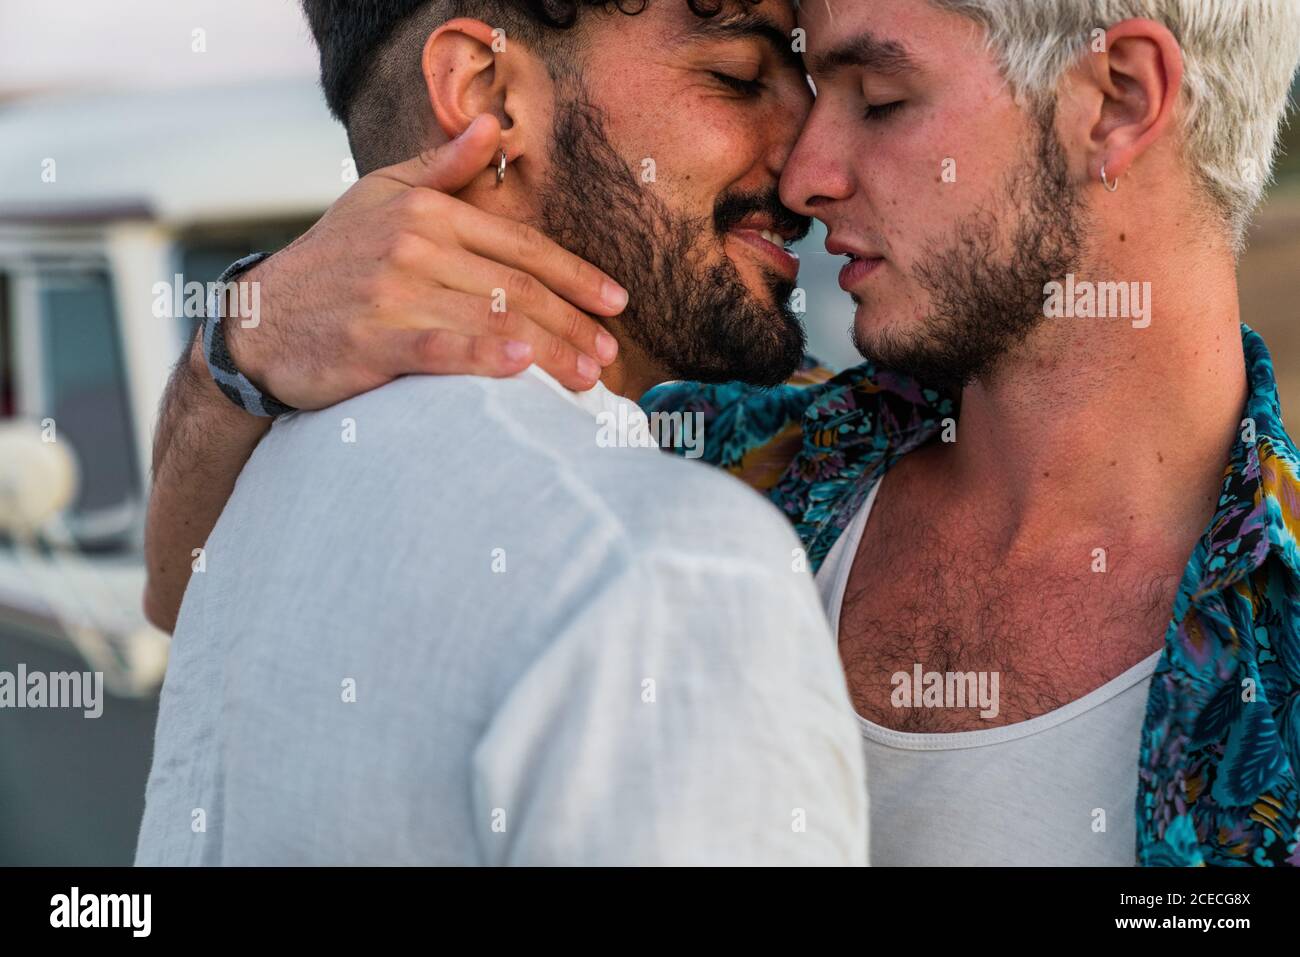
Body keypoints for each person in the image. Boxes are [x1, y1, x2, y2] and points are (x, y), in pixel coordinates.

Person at [144, 0, 1300, 866]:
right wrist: (241, 347)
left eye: (880, 98)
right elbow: (191, 591)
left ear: (1120, 100)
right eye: (758, 76)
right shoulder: (735, 464)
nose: (805, 173)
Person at [134, 0, 868, 866]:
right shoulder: (667, 567)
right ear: (488, 95)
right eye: (739, 77)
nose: (811, 162)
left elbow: (167, 599)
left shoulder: (256, 485)